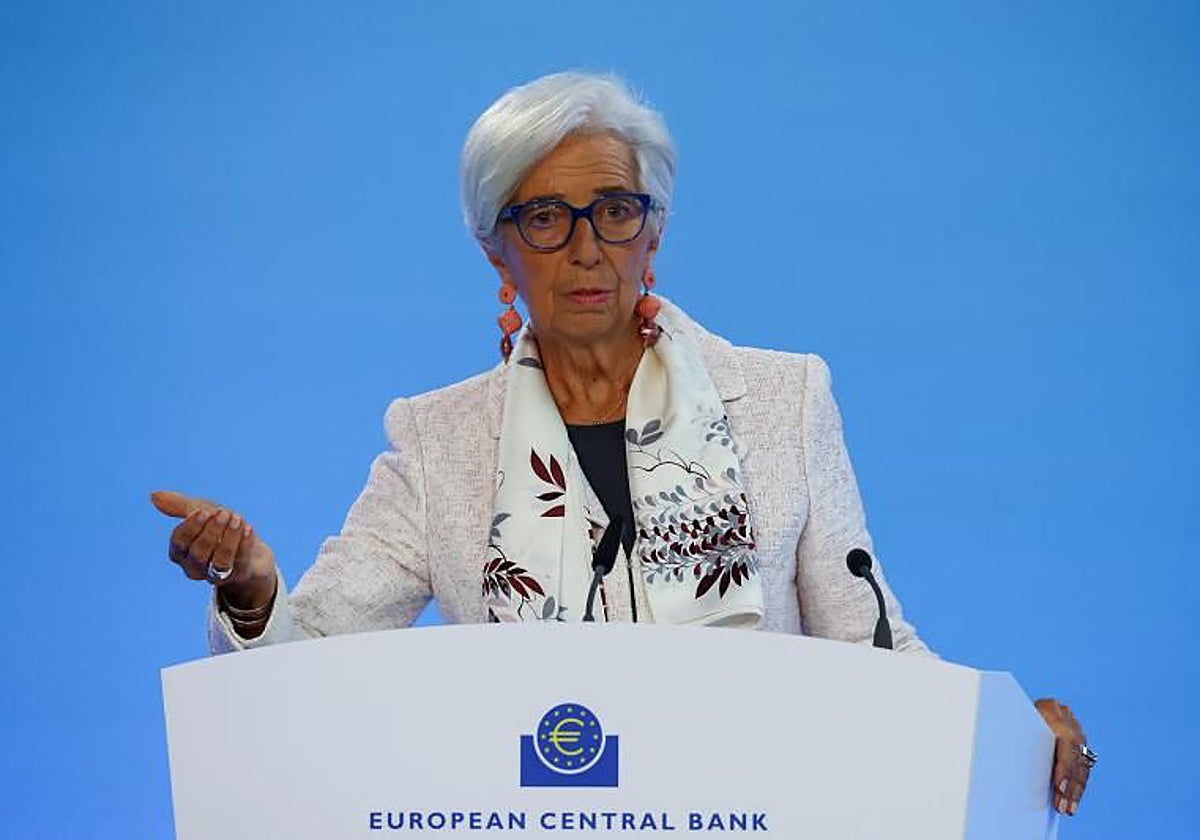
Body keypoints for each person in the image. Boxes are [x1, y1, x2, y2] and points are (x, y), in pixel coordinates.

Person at [150, 71, 1094, 815]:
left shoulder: (784, 400)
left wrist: (1009, 735)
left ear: (655, 230)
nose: (586, 247)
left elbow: (873, 643)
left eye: (614, 209)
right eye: (545, 218)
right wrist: (253, 591)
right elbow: (309, 667)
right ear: (495, 249)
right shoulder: (438, 441)